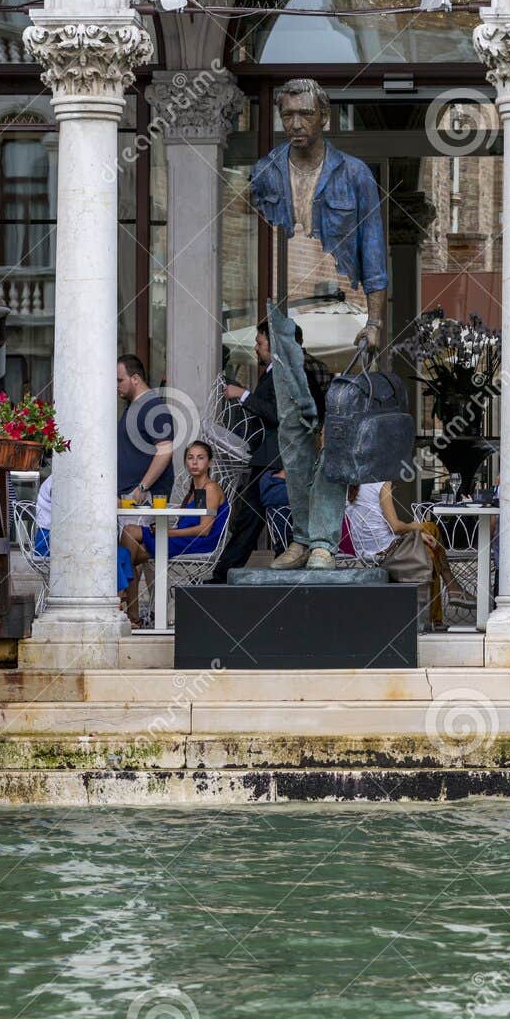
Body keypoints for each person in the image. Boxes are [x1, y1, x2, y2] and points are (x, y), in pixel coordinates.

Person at [250, 78, 388, 570]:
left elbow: (374, 246)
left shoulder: (353, 175)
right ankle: (301, 537)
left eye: (305, 115)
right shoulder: (266, 172)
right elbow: (255, 239)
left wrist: (375, 319)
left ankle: (326, 541)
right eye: (288, 115)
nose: (296, 124)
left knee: (337, 427)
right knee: (293, 427)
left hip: (344, 309)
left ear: (323, 117)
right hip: (286, 314)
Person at [212, 318, 330, 579]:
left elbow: (280, 416)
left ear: (274, 345)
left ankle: (282, 573)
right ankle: (223, 576)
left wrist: (242, 395)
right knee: (252, 520)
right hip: (269, 457)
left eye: (260, 342)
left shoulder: (288, 373)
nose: (256, 347)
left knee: (274, 519)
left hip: (277, 459)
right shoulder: (281, 372)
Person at [119, 441, 229, 623]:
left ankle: (121, 597)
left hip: (197, 542)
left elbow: (204, 529)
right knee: (130, 556)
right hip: (182, 539)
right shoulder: (194, 491)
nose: (194, 462)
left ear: (209, 463)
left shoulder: (210, 488)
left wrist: (167, 533)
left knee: (130, 532)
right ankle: (133, 617)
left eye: (200, 458)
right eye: (190, 458)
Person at [343, 480, 448, 628]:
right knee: (430, 529)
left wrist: (415, 533)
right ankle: (448, 593)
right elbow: (396, 527)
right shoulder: (381, 484)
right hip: (389, 552)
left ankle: (444, 604)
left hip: (364, 554)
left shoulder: (347, 487)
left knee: (429, 541)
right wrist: (416, 527)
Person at [117, 354, 174, 504]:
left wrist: (142, 488)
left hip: (143, 499)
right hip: (128, 497)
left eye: (120, 380)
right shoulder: (133, 407)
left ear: (135, 378)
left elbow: (165, 450)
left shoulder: (153, 407)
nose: (116, 385)